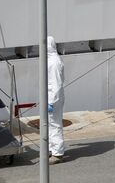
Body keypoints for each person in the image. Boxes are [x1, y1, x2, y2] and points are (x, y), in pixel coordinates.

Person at [47, 36, 65, 164]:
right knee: (50, 124)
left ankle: (57, 153)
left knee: (55, 124)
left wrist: (51, 102)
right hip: (51, 97)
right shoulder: (52, 60)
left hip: (54, 98)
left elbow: (57, 85)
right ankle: (52, 148)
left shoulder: (54, 63)